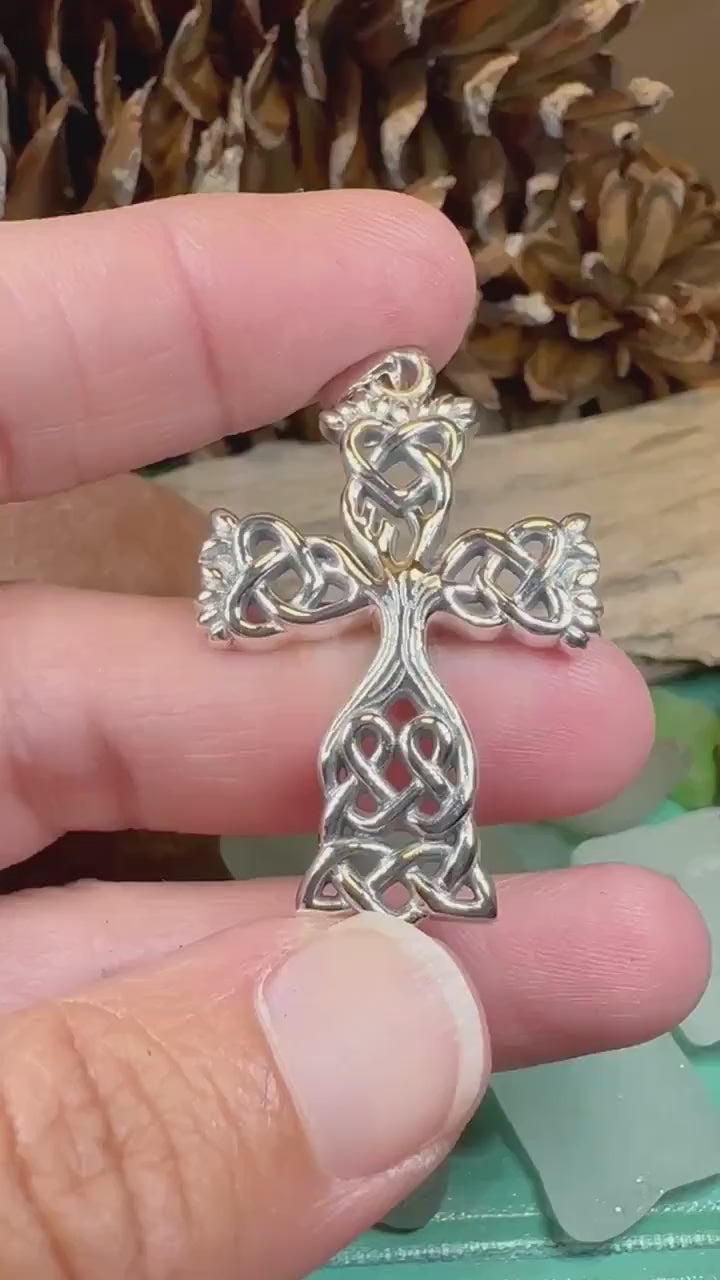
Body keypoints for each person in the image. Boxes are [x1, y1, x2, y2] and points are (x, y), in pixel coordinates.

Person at [0, 188, 709, 1280]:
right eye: (384, 469)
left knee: (431, 764)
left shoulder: (438, 568)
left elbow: (520, 575)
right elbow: (267, 582)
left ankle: (411, 874)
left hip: (409, 713)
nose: (398, 490)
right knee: (384, 762)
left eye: (410, 469)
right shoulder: (355, 570)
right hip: (383, 717)